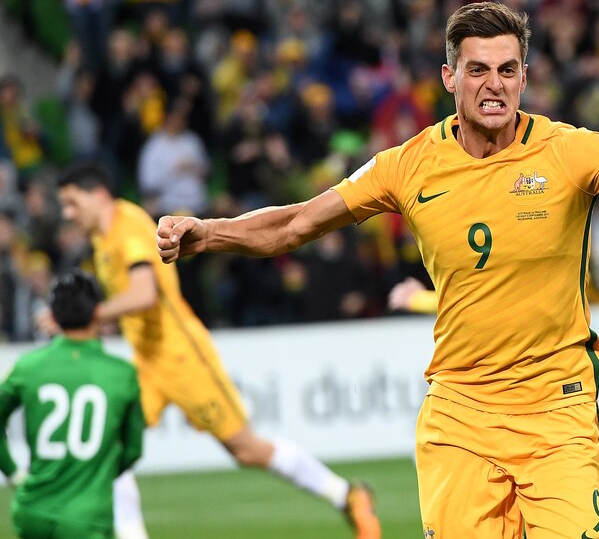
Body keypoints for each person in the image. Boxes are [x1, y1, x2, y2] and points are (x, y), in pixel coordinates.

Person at [156, 2, 599, 539]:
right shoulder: (407, 164)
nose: (494, 85)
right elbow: (297, 222)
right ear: (448, 77)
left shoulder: (569, 151)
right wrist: (208, 232)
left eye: (508, 69)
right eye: (478, 69)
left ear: (525, 76)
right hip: (460, 414)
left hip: (557, 409)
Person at [55, 163, 380, 539]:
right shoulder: (101, 237)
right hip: (146, 361)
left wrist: (91, 315)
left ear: (97, 196)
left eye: (72, 203)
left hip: (181, 356)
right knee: (110, 450)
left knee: (246, 449)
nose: (67, 214)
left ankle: (347, 496)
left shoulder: (128, 227)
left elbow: (144, 295)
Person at [387, 277, 599, 539]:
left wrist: (419, 299)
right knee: (566, 469)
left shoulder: (536, 244)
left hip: (550, 373)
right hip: (557, 366)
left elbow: (491, 302)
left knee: (562, 469)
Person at [0, 269, 145, 539]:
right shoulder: (121, 374)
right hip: (87, 516)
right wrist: (95, 476)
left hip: (33, 511)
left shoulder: (28, 367)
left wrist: (13, 473)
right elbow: (133, 450)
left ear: (53, 317)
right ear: (98, 313)